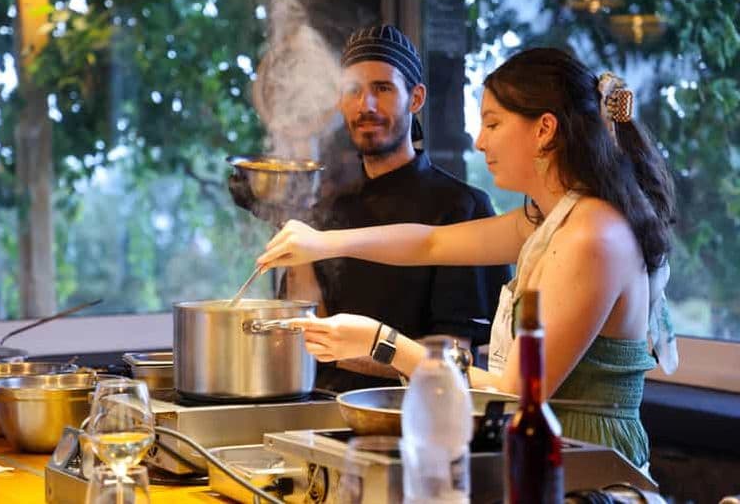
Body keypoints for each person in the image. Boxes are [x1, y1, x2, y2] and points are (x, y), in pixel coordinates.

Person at [257, 47, 677, 468]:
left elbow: (515, 393)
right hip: (544, 455)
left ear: (544, 129)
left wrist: (381, 343)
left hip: (586, 466)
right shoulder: (551, 220)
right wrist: (323, 242)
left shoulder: (591, 236)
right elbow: (432, 244)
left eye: (492, 123)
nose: (479, 141)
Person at [233, 24, 510, 392]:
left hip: (410, 417)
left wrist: (365, 346)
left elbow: (454, 358)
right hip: (317, 411)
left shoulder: (461, 208)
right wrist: (290, 216)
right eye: (354, 91)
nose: (366, 105)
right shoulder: (329, 205)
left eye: (382, 89)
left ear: (415, 99)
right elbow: (306, 321)